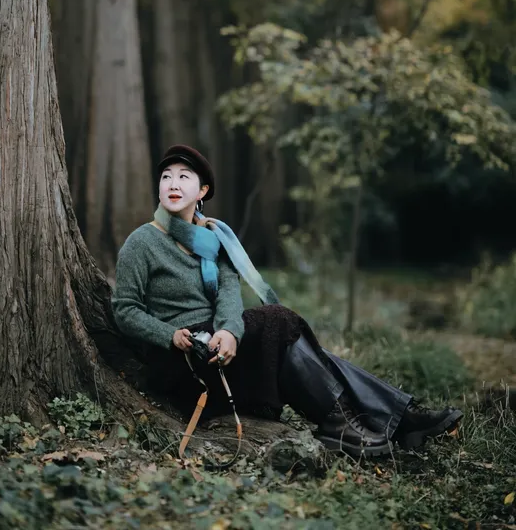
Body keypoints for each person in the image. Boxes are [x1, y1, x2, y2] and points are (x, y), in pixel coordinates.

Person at [112, 144, 462, 459]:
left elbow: (229, 296)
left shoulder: (215, 240)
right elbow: (125, 310)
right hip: (183, 361)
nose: (173, 184)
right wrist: (169, 335)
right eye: (166, 177)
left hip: (219, 349)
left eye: (184, 177)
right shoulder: (141, 243)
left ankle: (391, 421)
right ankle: (370, 420)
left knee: (297, 351)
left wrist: (231, 332)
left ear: (202, 190)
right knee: (278, 320)